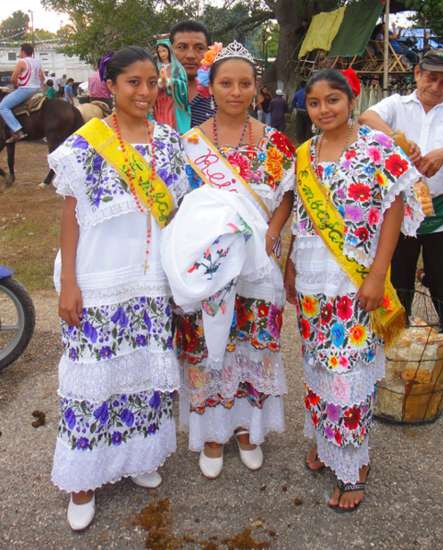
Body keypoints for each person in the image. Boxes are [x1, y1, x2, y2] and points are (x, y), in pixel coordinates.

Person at [48, 45, 189, 531]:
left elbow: (175, 212)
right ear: (110, 85)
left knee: (145, 375)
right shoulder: (84, 144)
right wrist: (69, 283)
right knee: (94, 377)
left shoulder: (170, 142)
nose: (146, 92)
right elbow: (70, 216)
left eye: (153, 82)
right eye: (134, 82)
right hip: (98, 276)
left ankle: (138, 456)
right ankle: (83, 477)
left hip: (150, 277)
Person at [285, 68, 423, 511]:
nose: (323, 110)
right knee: (317, 365)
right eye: (314, 102)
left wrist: (378, 272)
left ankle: (352, 463)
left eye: (333, 100)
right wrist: (289, 264)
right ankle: (328, 443)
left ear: (351, 101)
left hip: (355, 280)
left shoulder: (377, 147)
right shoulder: (305, 154)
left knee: (346, 373)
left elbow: (394, 207)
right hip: (311, 281)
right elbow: (302, 216)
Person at [170, 41, 295, 479]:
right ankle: (210, 433)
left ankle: (247, 429)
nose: (236, 91)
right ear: (210, 86)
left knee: (251, 344)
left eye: (245, 83)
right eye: (227, 82)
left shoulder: (276, 142)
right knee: (208, 345)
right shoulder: (189, 144)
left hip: (258, 262)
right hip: (209, 264)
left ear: (256, 88)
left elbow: (287, 197)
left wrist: (274, 233)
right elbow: (178, 204)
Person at [359, 49, 443, 395]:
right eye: (431, 76)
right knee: (395, 284)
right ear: (417, 73)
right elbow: (365, 116)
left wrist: (442, 154)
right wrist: (398, 141)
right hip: (400, 211)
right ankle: (394, 355)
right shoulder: (397, 104)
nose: (437, 86)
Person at [170, 20, 215, 128]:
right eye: (182, 47)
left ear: (209, 52)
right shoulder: (155, 93)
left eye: (199, 48)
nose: (190, 55)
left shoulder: (219, 96)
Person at [0, 43, 44, 143]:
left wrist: (17, 85)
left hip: (25, 90)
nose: (19, 53)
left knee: (2, 106)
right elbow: (42, 78)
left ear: (23, 51)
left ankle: (18, 131)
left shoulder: (21, 62)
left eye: (20, 51)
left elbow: (13, 79)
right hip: (37, 90)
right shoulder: (37, 62)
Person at [153, 38, 190, 133]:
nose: (162, 54)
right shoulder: (155, 67)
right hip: (159, 103)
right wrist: (159, 83)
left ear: (169, 50)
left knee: (172, 125)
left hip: (173, 101)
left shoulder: (177, 68)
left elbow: (183, 84)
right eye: (159, 51)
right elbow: (150, 83)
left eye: (164, 51)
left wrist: (169, 81)